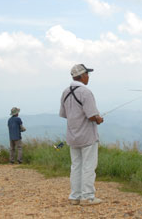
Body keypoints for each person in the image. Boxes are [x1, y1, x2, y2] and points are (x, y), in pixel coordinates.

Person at [59, 64, 104, 206]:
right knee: (89, 166)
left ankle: (75, 196)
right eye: (87, 74)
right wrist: (99, 119)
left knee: (76, 166)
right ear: (82, 76)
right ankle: (88, 197)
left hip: (72, 135)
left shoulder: (65, 92)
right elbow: (91, 116)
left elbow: (64, 114)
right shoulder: (86, 92)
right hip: (87, 136)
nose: (88, 77)